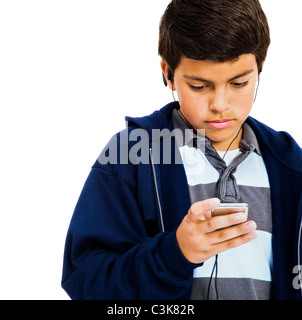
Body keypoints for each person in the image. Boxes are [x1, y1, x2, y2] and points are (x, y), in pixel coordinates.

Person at [61, 0, 302, 300]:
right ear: (168, 73)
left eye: (239, 83)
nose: (220, 105)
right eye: (200, 86)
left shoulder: (291, 165)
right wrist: (174, 254)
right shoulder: (131, 155)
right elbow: (86, 280)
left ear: (260, 69)